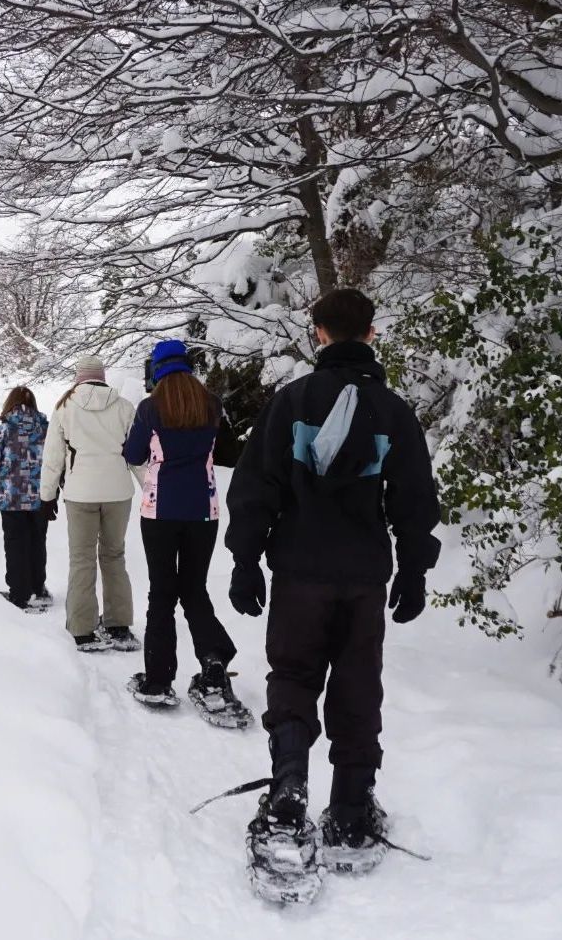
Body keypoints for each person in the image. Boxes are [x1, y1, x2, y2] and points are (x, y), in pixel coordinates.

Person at [225, 288, 440, 866]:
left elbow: (256, 486)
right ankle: (350, 808)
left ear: (318, 333)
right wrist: (414, 569)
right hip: (363, 576)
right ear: (371, 332)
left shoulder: (291, 402)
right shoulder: (392, 411)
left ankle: (288, 791)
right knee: (357, 683)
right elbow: (414, 497)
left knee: (294, 675)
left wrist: (246, 560)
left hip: (299, 572)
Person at [122, 340, 249, 722]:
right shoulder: (211, 404)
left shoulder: (150, 408)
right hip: (203, 511)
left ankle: (159, 680)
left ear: (157, 370)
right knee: (194, 590)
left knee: (162, 593)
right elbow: (227, 452)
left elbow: (133, 455)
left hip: (159, 512)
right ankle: (213, 664)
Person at [40, 355, 140, 653]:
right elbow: (137, 455)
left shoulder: (65, 407)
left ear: (78, 378)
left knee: (81, 559)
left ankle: (83, 630)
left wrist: (47, 496)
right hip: (118, 493)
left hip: (80, 493)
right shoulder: (124, 407)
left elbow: (53, 456)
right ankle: (118, 626)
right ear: (102, 376)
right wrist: (152, 489)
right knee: (114, 556)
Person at [0, 386, 51, 610]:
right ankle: (38, 588)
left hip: (11, 498)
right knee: (37, 542)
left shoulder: (1, 432)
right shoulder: (47, 431)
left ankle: (19, 593)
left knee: (16, 545)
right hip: (40, 497)